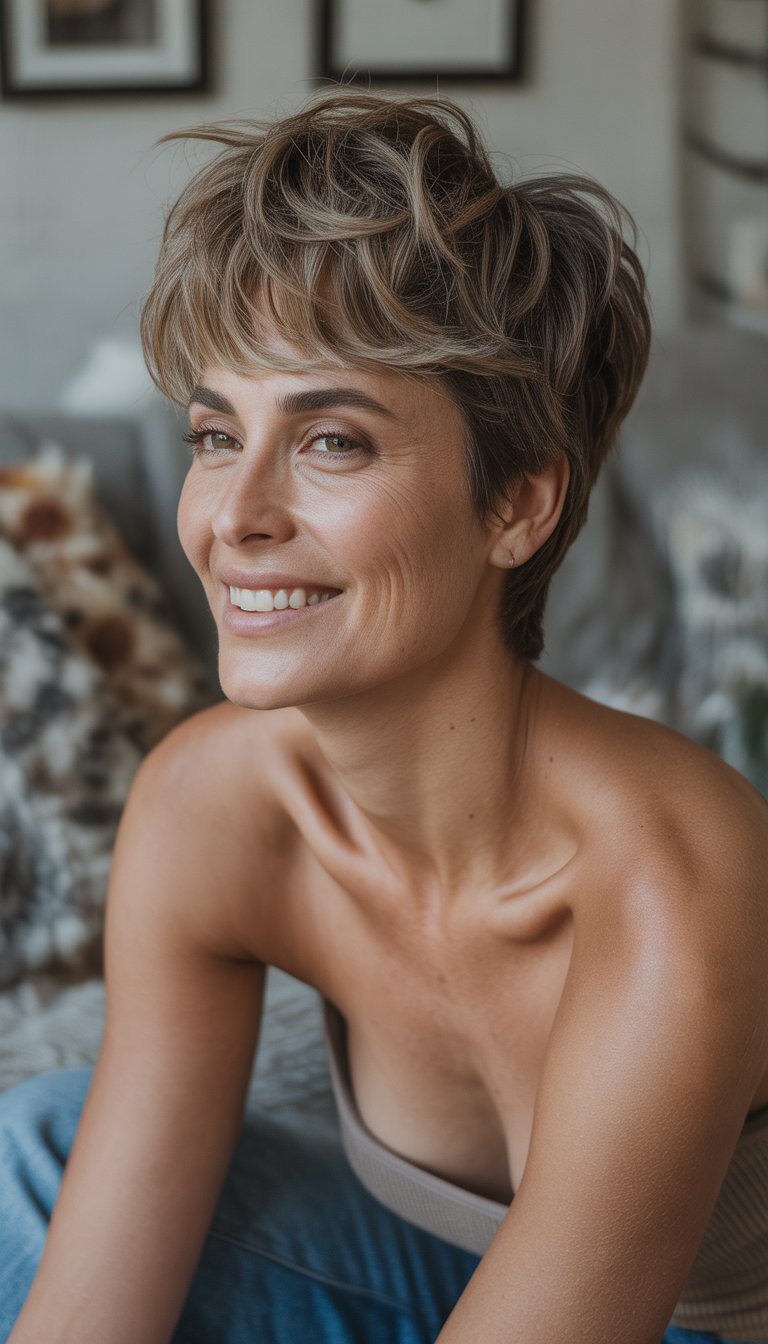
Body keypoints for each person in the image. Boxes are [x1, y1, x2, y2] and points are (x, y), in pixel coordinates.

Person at [2, 86, 768, 1344]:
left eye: (332, 441)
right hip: (421, 1281)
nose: (233, 515)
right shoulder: (211, 808)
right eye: (214, 433)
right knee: (38, 1147)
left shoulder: (669, 869)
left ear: (518, 503)